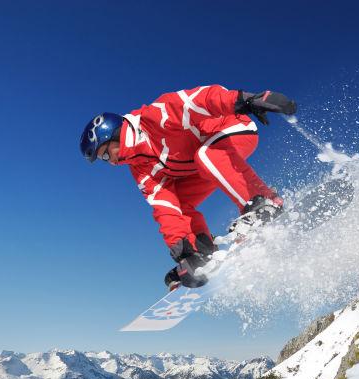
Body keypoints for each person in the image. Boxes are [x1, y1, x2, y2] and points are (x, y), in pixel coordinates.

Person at [79, 85, 297, 289]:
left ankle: (264, 203)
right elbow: (164, 206)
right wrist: (184, 254)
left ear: (114, 135)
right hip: (206, 164)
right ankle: (202, 251)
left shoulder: (154, 118)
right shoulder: (139, 167)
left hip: (231, 128)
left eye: (105, 154)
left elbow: (197, 101)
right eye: (104, 160)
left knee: (206, 156)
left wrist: (243, 100)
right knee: (180, 201)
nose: (110, 162)